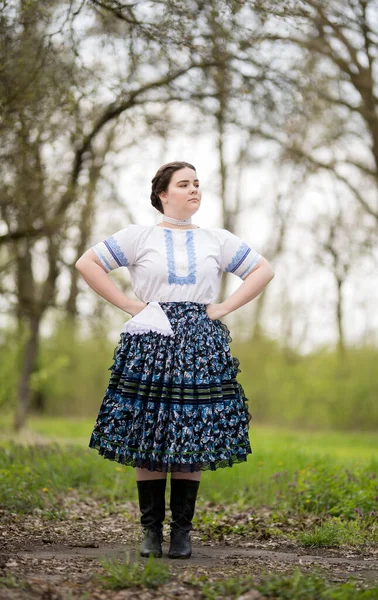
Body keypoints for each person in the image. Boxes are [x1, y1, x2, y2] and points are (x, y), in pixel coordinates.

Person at [75, 161, 274, 560]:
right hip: (150, 339)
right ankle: (151, 532)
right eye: (184, 184)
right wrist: (131, 305)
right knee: (149, 431)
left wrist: (222, 308)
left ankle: (181, 532)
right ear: (163, 194)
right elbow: (87, 263)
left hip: (200, 345)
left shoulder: (217, 240)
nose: (194, 189)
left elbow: (262, 270)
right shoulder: (139, 236)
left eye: (197, 184)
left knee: (191, 432)